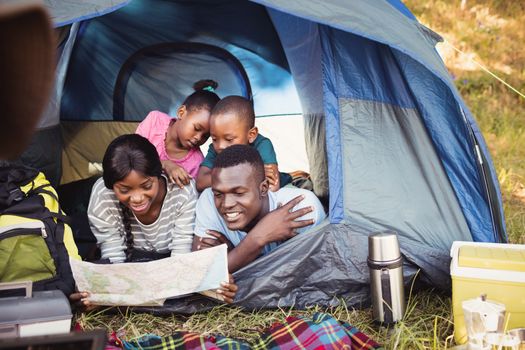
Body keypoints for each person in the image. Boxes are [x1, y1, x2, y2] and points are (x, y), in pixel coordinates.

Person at [70, 134, 237, 308]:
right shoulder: (103, 196)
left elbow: (180, 261)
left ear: (159, 174)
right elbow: (115, 263)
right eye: (124, 190)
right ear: (112, 186)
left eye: (146, 186)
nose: (137, 198)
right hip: (128, 267)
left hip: (173, 266)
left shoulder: (182, 192)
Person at [193, 145, 326, 272]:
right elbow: (198, 273)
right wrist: (256, 239)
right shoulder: (209, 201)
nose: (227, 204)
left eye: (239, 193)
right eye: (218, 194)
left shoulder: (300, 208)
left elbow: (304, 278)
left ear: (263, 188)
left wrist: (233, 258)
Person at [195, 96, 292, 192]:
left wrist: (224, 177)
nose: (220, 146)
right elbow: (201, 182)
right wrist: (240, 174)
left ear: (251, 135)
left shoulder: (262, 145)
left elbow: (273, 187)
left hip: (283, 187)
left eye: (229, 139)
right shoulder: (215, 149)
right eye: (214, 139)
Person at [136, 80, 220, 188]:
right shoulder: (155, 121)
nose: (198, 137)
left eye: (205, 136)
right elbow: (132, 154)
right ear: (181, 113)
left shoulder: (196, 162)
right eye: (197, 128)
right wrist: (165, 164)